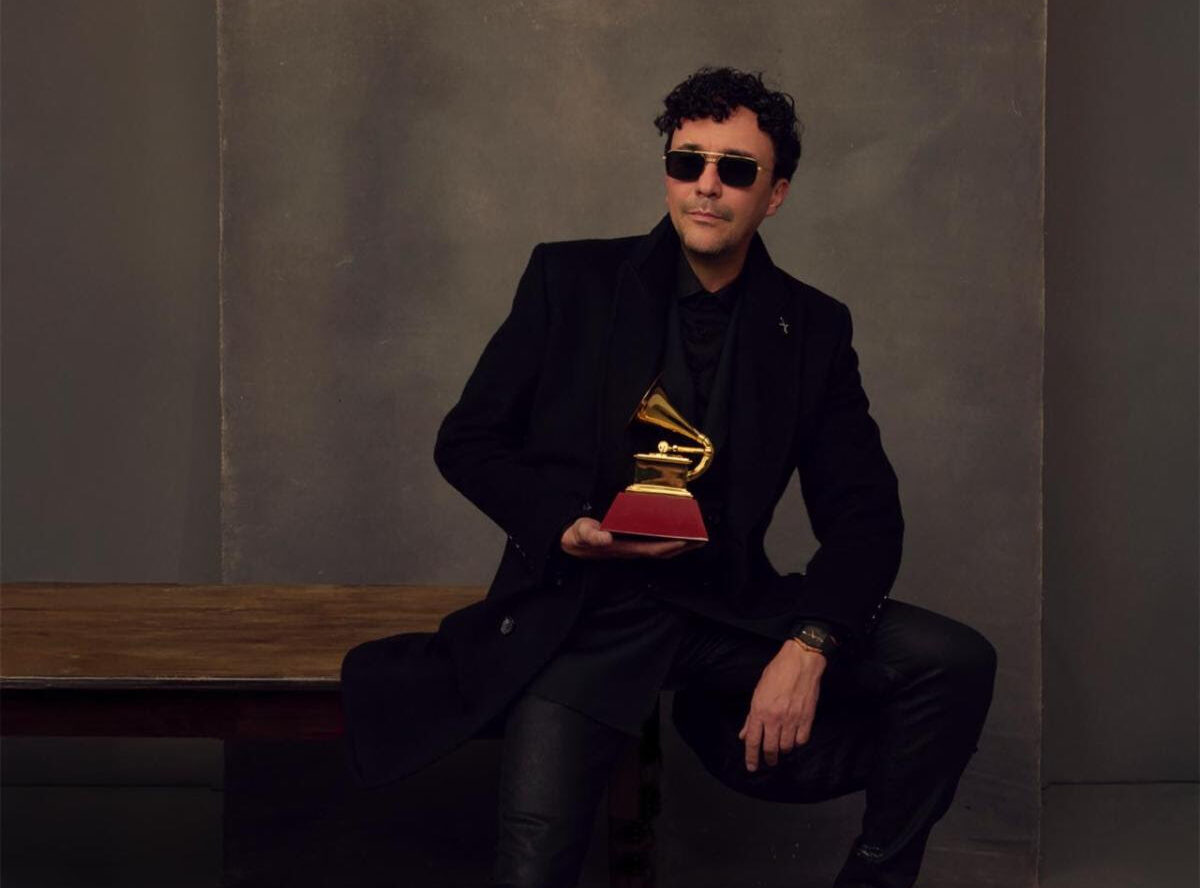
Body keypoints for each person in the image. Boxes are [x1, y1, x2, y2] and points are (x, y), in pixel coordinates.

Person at [340, 66, 997, 888]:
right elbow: (467, 440)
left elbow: (865, 516)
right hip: (585, 618)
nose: (707, 186)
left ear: (776, 194)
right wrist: (562, 525)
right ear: (668, 172)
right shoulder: (569, 281)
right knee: (534, 869)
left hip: (725, 609)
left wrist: (809, 646)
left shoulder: (814, 327)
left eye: (736, 170)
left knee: (954, 661)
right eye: (689, 163)